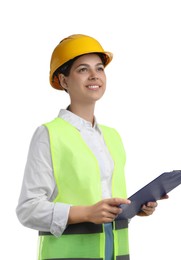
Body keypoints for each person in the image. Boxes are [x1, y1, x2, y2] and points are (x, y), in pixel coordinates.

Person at [16, 34, 168, 260]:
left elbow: (104, 199)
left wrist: (135, 208)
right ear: (64, 80)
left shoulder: (112, 136)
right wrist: (85, 213)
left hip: (117, 255)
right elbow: (28, 210)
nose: (94, 75)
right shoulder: (49, 134)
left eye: (99, 68)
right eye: (83, 69)